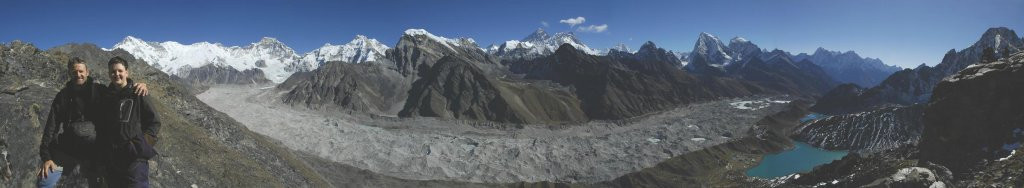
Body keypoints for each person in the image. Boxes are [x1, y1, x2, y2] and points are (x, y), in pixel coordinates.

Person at [38, 57, 148, 188]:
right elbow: (52, 127)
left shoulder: (100, 91)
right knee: (45, 182)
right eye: (74, 72)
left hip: (97, 153)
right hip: (68, 150)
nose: (78, 75)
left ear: (87, 72)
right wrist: (47, 157)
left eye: (81, 71)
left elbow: (121, 92)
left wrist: (138, 85)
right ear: (69, 74)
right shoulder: (63, 96)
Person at [99, 56, 161, 188]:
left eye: (120, 71)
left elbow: (154, 122)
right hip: (113, 160)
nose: (116, 74)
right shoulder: (106, 97)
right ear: (109, 74)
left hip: (134, 161)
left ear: (127, 72)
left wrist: (139, 146)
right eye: (113, 72)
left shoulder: (138, 93)